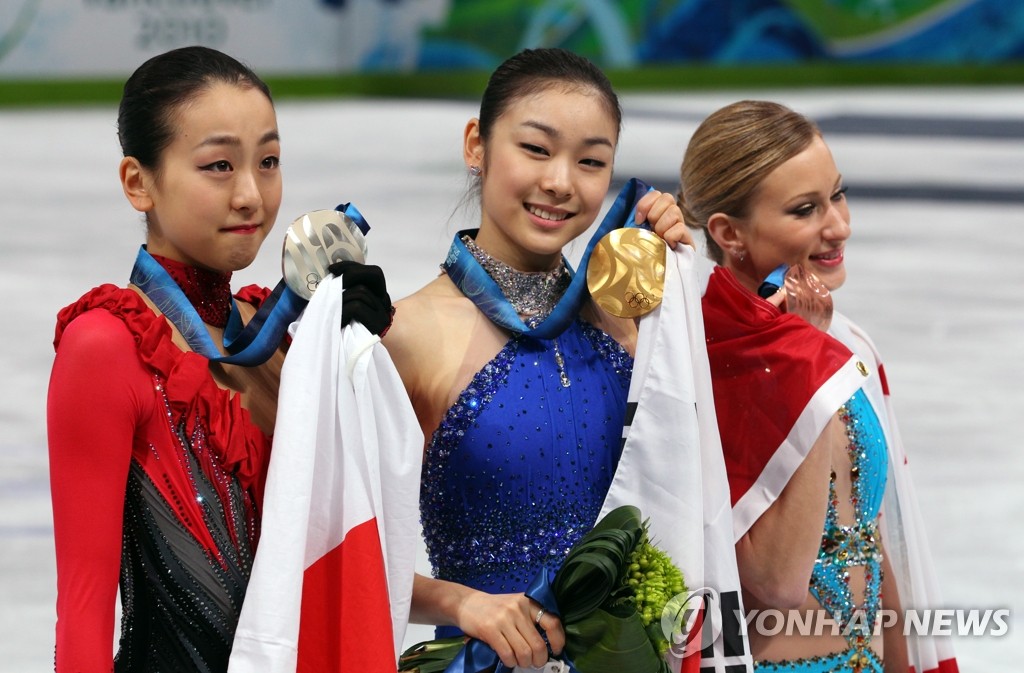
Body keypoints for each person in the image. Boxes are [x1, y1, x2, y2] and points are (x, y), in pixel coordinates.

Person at [46, 46, 391, 672]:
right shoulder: (108, 345)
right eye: (219, 166)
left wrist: (364, 355)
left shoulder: (288, 335)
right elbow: (83, 605)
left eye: (268, 162)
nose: (252, 196)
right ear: (138, 182)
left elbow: (350, 545)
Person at [383, 48, 690, 670]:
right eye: (536, 149)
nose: (561, 182)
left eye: (591, 161)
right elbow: (335, 545)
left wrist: (684, 278)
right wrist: (464, 604)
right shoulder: (405, 332)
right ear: (477, 145)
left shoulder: (628, 321)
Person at [671, 100, 957, 672]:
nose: (839, 226)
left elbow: (876, 540)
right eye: (806, 210)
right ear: (729, 233)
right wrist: (805, 362)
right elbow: (776, 581)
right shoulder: (699, 363)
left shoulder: (848, 345)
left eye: (838, 195)